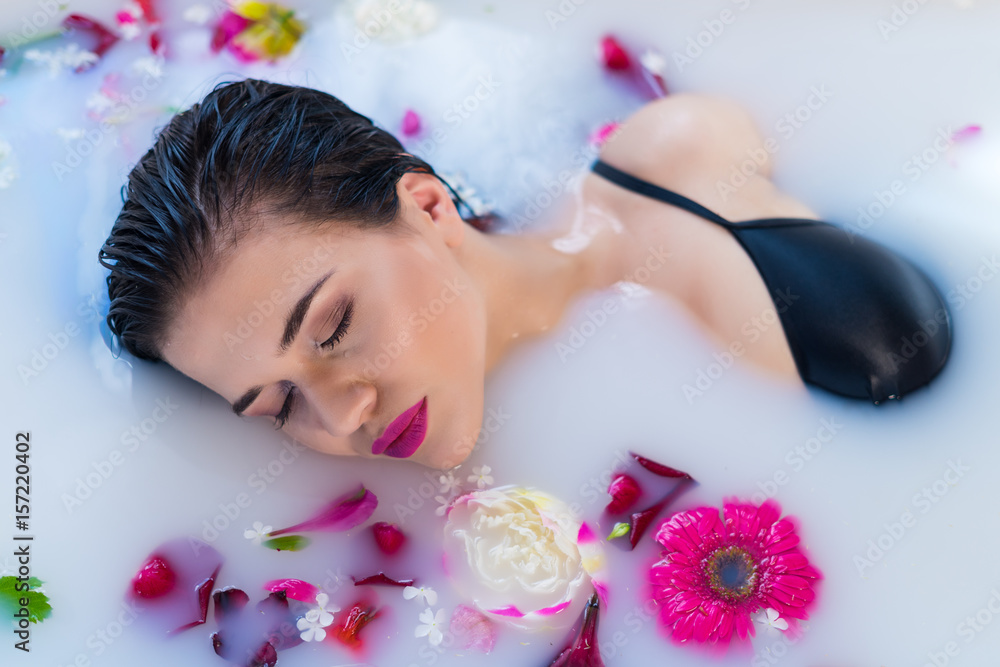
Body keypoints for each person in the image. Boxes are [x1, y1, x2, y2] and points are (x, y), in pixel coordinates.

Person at [98, 79, 952, 470]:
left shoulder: (683, 170)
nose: (344, 414)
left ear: (430, 210)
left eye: (330, 327)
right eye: (278, 403)